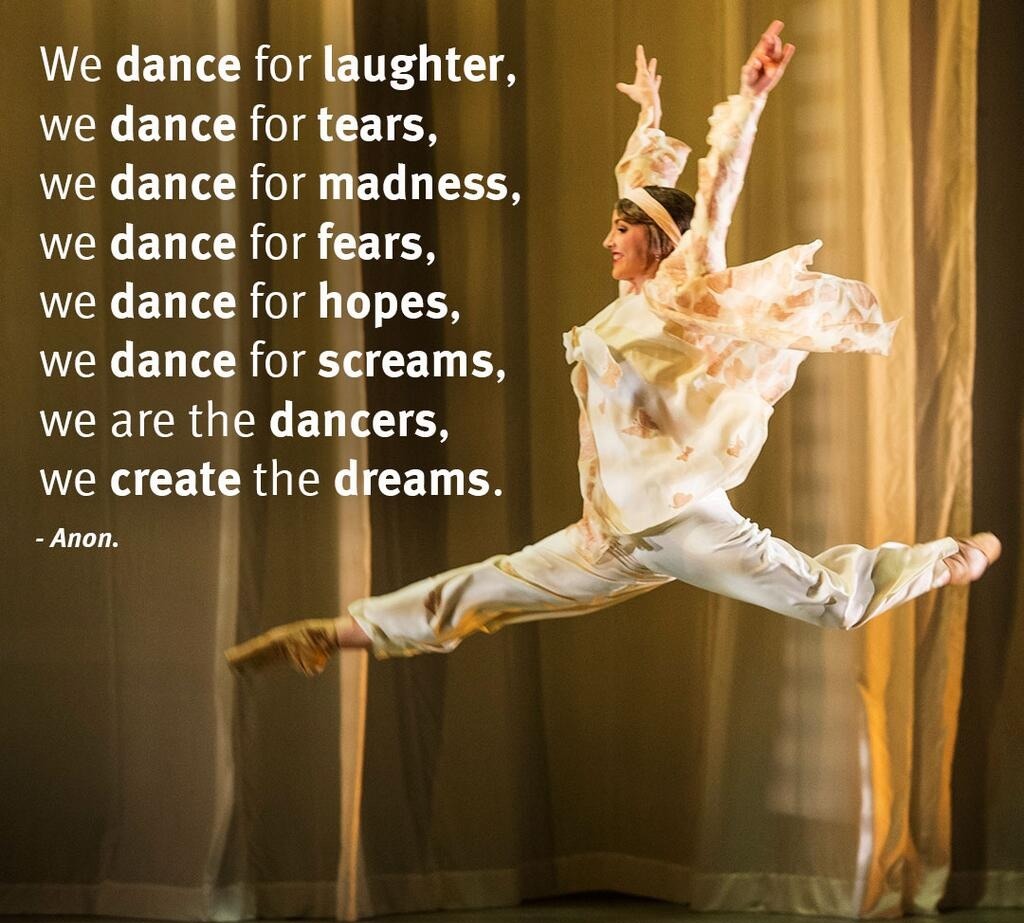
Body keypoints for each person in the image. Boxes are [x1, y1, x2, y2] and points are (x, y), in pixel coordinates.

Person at [226, 21, 1000, 677]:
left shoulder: (684, 290)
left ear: (659, 243)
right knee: (485, 589)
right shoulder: (631, 302)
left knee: (833, 603)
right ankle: (335, 634)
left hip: (684, 526)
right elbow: (641, 183)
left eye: (621, 230)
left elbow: (716, 193)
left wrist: (751, 99)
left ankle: (946, 560)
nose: (607, 240)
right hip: (607, 536)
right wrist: (649, 121)